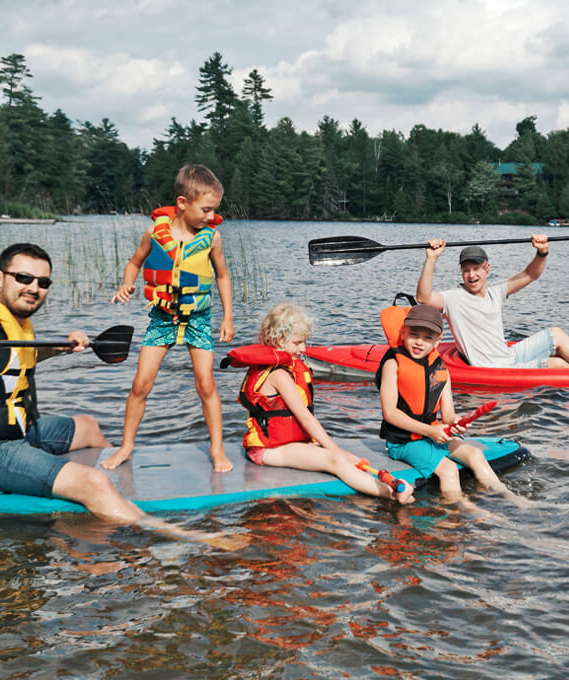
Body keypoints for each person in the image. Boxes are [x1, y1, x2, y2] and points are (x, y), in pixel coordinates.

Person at [0, 243, 184, 535]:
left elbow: (10, 359)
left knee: (88, 427)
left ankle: (119, 496)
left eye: (42, 282)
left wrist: (59, 348)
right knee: (92, 482)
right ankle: (178, 533)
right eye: (23, 278)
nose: (34, 287)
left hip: (11, 429)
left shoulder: (12, 323)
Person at [106, 164, 235, 472]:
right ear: (182, 203)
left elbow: (223, 276)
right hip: (162, 319)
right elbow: (135, 263)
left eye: (214, 210)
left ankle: (217, 450)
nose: (210, 216)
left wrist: (228, 317)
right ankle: (126, 447)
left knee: (206, 384)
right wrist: (127, 283)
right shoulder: (154, 232)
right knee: (140, 384)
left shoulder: (212, 238)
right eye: (205, 209)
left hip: (197, 319)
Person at [229, 303, 414, 505]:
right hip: (267, 449)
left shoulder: (284, 368)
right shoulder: (279, 375)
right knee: (334, 460)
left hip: (287, 442)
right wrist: (336, 451)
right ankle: (391, 494)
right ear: (276, 340)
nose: (304, 348)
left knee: (334, 455)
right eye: (298, 343)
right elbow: (306, 418)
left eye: (304, 342)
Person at [375, 304, 510, 502]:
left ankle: (507, 495)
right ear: (403, 332)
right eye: (414, 334)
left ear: (437, 341)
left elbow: (448, 415)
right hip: (403, 442)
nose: (419, 342)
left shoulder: (440, 368)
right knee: (449, 470)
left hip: (433, 435)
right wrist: (430, 432)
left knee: (475, 455)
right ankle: (463, 512)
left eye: (427, 337)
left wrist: (458, 424)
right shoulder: (392, 364)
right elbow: (390, 413)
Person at [416, 236, 569, 369]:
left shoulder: (496, 293)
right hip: (494, 367)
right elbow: (423, 298)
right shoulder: (452, 298)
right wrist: (431, 258)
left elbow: (530, 274)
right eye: (466, 270)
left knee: (556, 334)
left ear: (487, 268)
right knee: (557, 365)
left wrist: (542, 252)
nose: (471, 275)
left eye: (476, 269)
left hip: (508, 356)